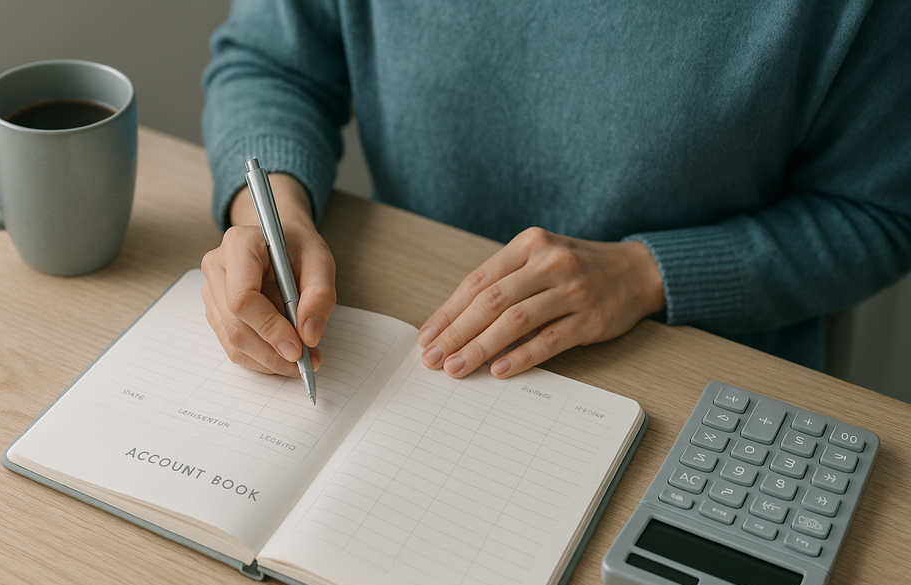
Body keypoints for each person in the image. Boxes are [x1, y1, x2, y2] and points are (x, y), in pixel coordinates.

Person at [200, 1, 911, 383]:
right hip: (407, 337)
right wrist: (276, 213)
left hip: (697, 374)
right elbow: (271, 64)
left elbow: (880, 213)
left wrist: (646, 274)